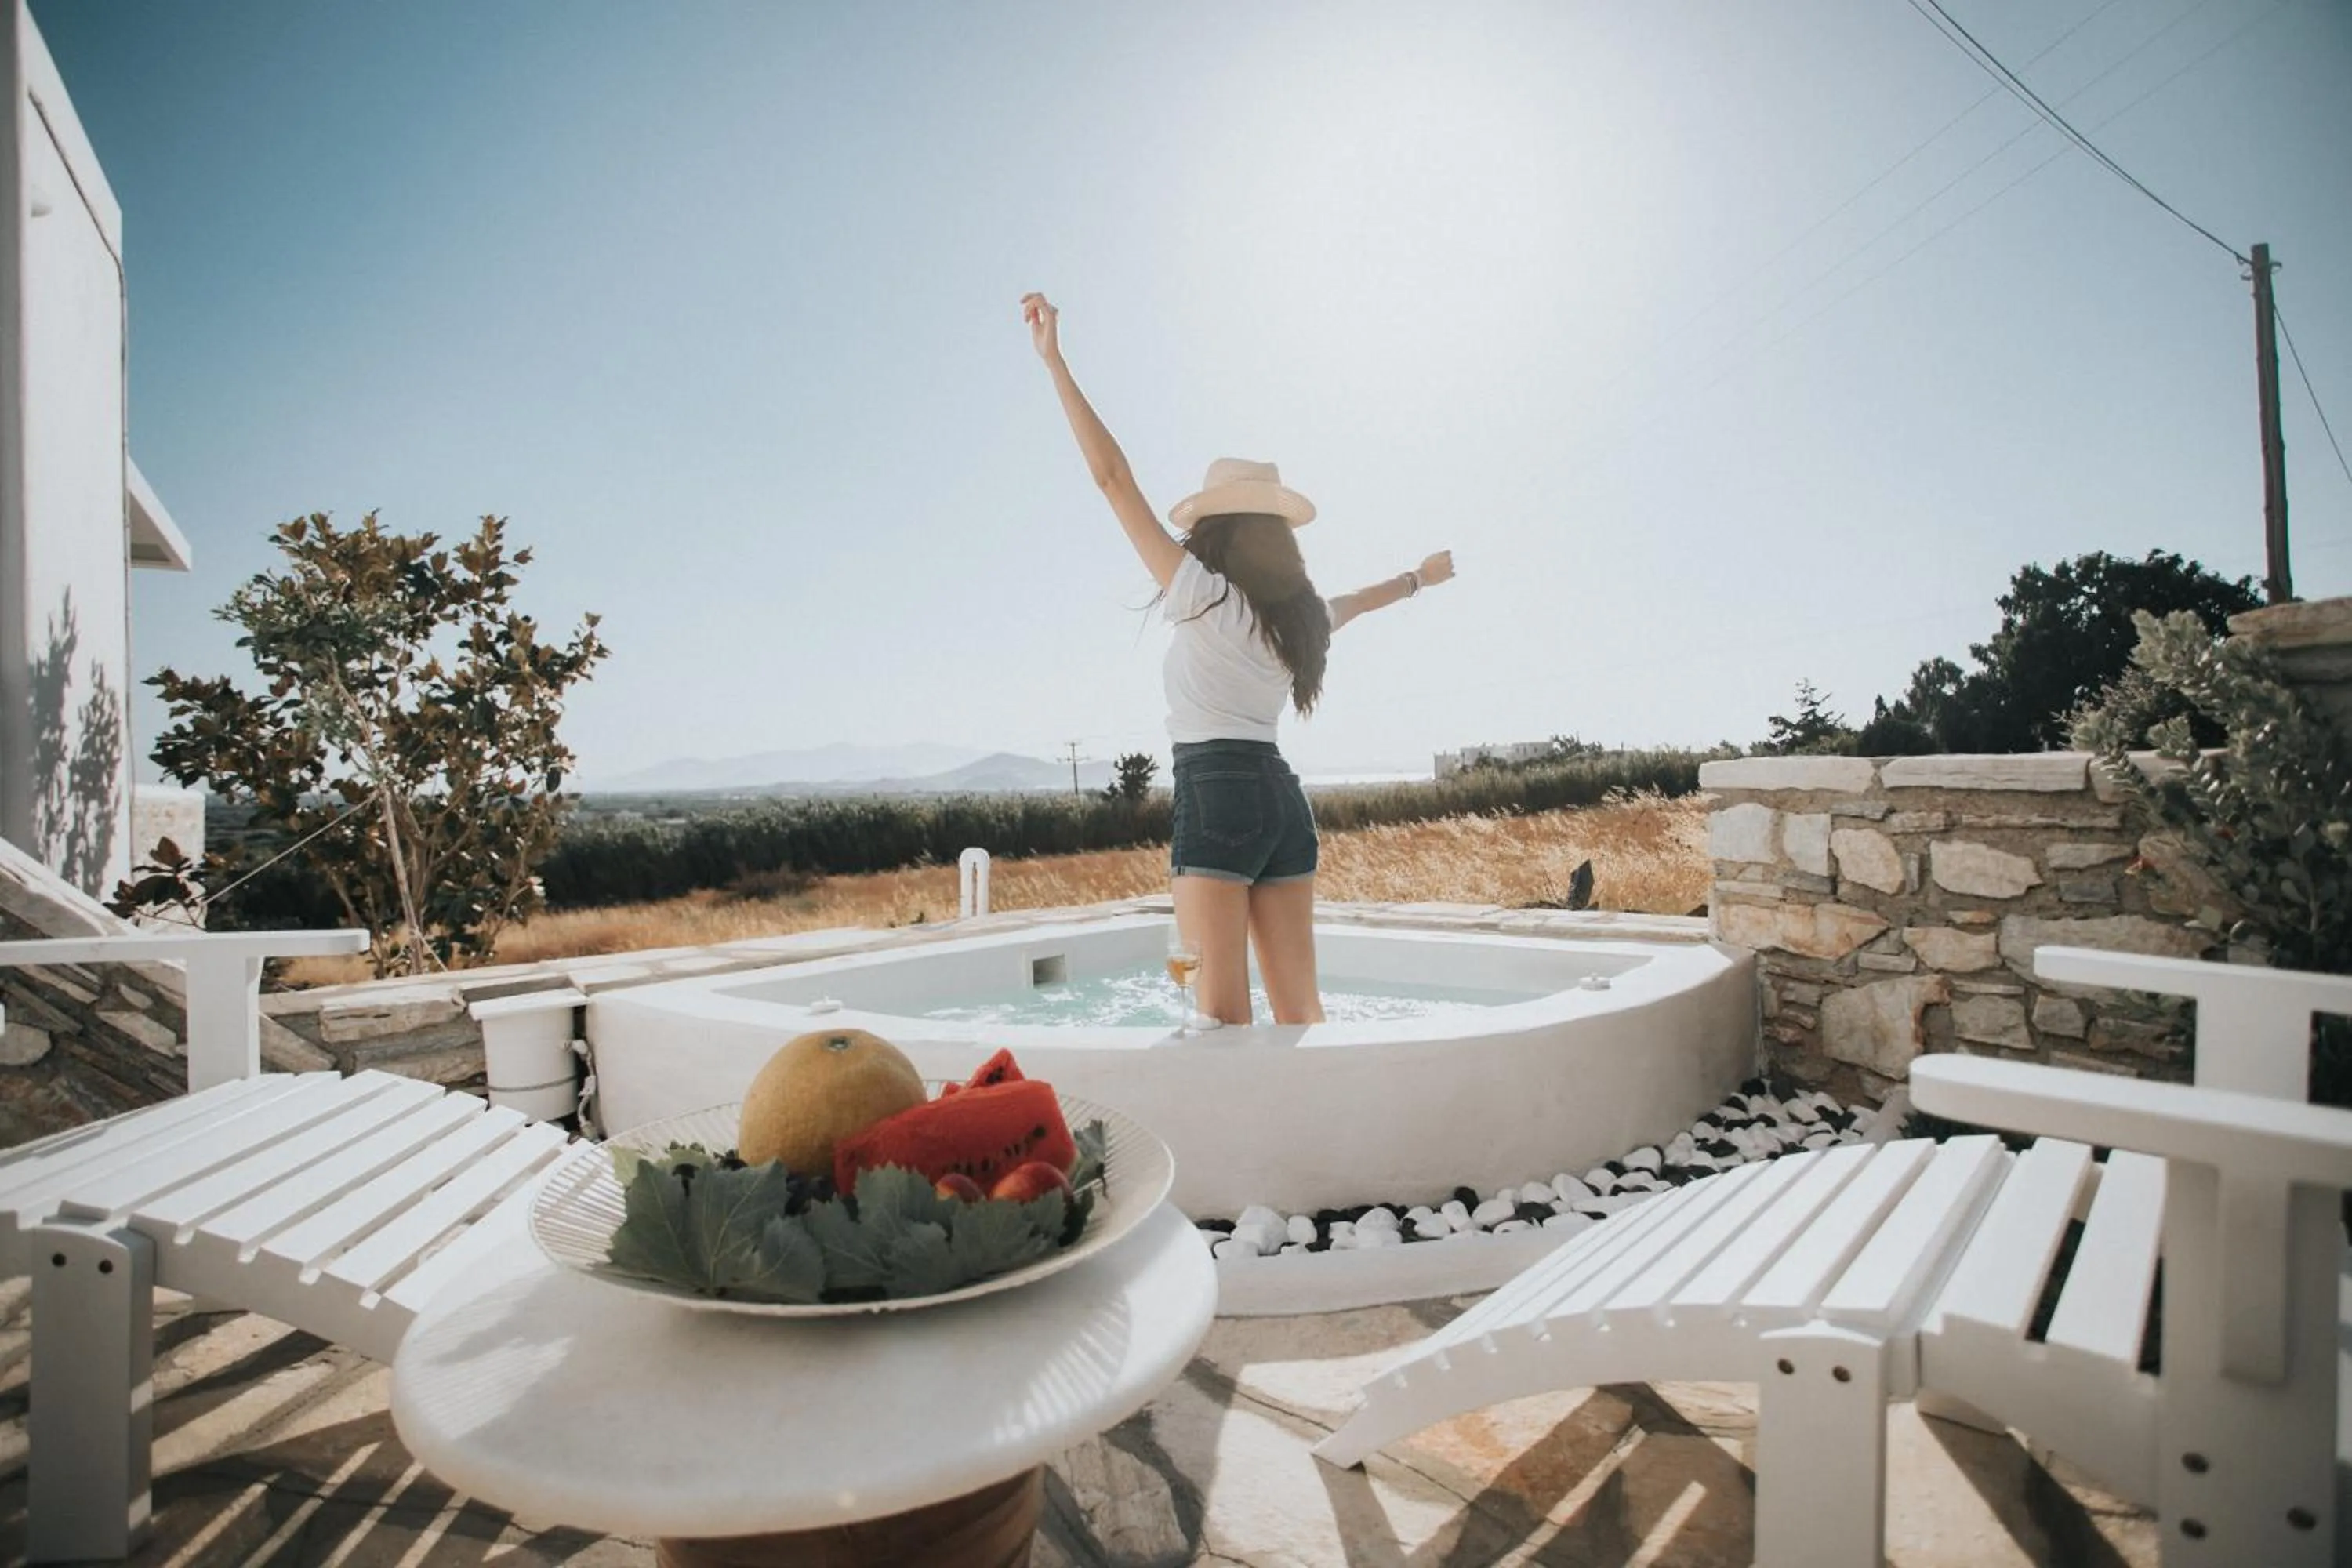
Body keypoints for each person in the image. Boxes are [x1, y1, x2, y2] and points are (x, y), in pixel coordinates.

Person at [1023, 291, 1455, 1025]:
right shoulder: (1303, 618)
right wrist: (1422, 577)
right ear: (1278, 535)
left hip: (1216, 789)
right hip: (1282, 799)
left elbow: (1111, 480)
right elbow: (1366, 596)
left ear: (1214, 530)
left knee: (1217, 1020)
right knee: (1302, 1013)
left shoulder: (1202, 595)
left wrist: (1055, 363)